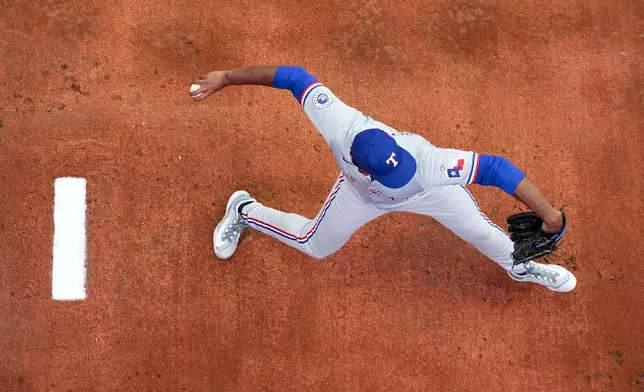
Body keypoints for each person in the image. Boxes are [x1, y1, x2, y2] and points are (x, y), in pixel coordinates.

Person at [189, 65, 576, 292]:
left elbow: (497, 169)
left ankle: (518, 266)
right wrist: (226, 77)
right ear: (364, 166)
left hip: (430, 194)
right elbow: (293, 76)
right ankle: (244, 209)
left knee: (478, 229)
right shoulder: (340, 124)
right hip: (360, 198)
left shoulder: (427, 164)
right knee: (315, 245)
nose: (401, 169)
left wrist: (551, 216)